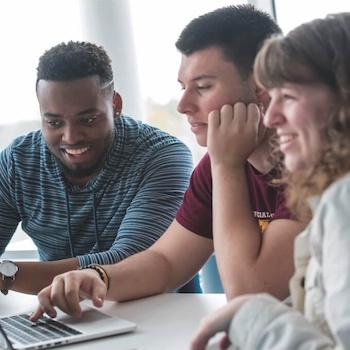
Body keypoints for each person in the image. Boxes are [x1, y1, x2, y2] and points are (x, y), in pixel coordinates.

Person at [30, 4, 304, 321]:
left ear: (262, 89)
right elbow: (166, 262)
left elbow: (250, 296)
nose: (184, 106)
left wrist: (227, 165)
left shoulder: (312, 165)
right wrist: (98, 278)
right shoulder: (216, 167)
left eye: (203, 87)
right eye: (183, 88)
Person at [190, 11, 350, 350]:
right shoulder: (329, 195)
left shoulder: (344, 201)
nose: (273, 117)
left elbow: (249, 289)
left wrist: (255, 318)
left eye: (288, 97)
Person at [0, 41, 193, 295]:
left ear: (115, 105)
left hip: (155, 316)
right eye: (54, 122)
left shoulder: (162, 156)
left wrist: (8, 276)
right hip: (58, 316)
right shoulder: (18, 161)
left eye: (87, 120)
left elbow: (129, 261)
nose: (70, 137)